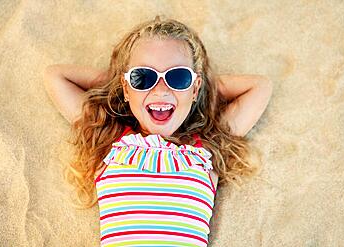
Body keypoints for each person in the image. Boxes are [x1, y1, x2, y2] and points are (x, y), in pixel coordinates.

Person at [43, 16, 272, 247]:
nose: (161, 89)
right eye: (143, 77)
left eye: (178, 77)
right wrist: (121, 84)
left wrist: (200, 88)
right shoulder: (111, 143)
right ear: (125, 87)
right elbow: (55, 76)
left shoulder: (205, 151)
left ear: (195, 89)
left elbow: (259, 87)